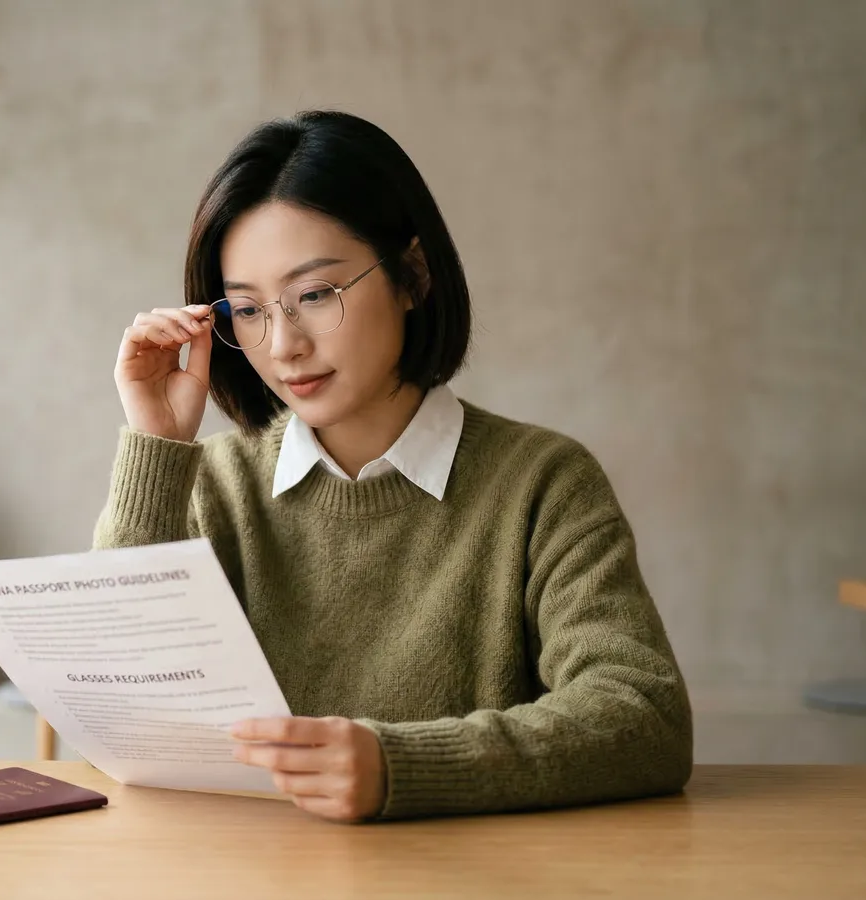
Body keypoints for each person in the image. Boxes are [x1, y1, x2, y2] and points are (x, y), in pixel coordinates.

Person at [95, 110, 693, 823]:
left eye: (315, 295)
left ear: (412, 274)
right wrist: (157, 443)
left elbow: (642, 716)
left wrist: (401, 768)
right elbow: (120, 712)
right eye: (248, 310)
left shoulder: (542, 482)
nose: (283, 345)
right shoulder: (211, 487)